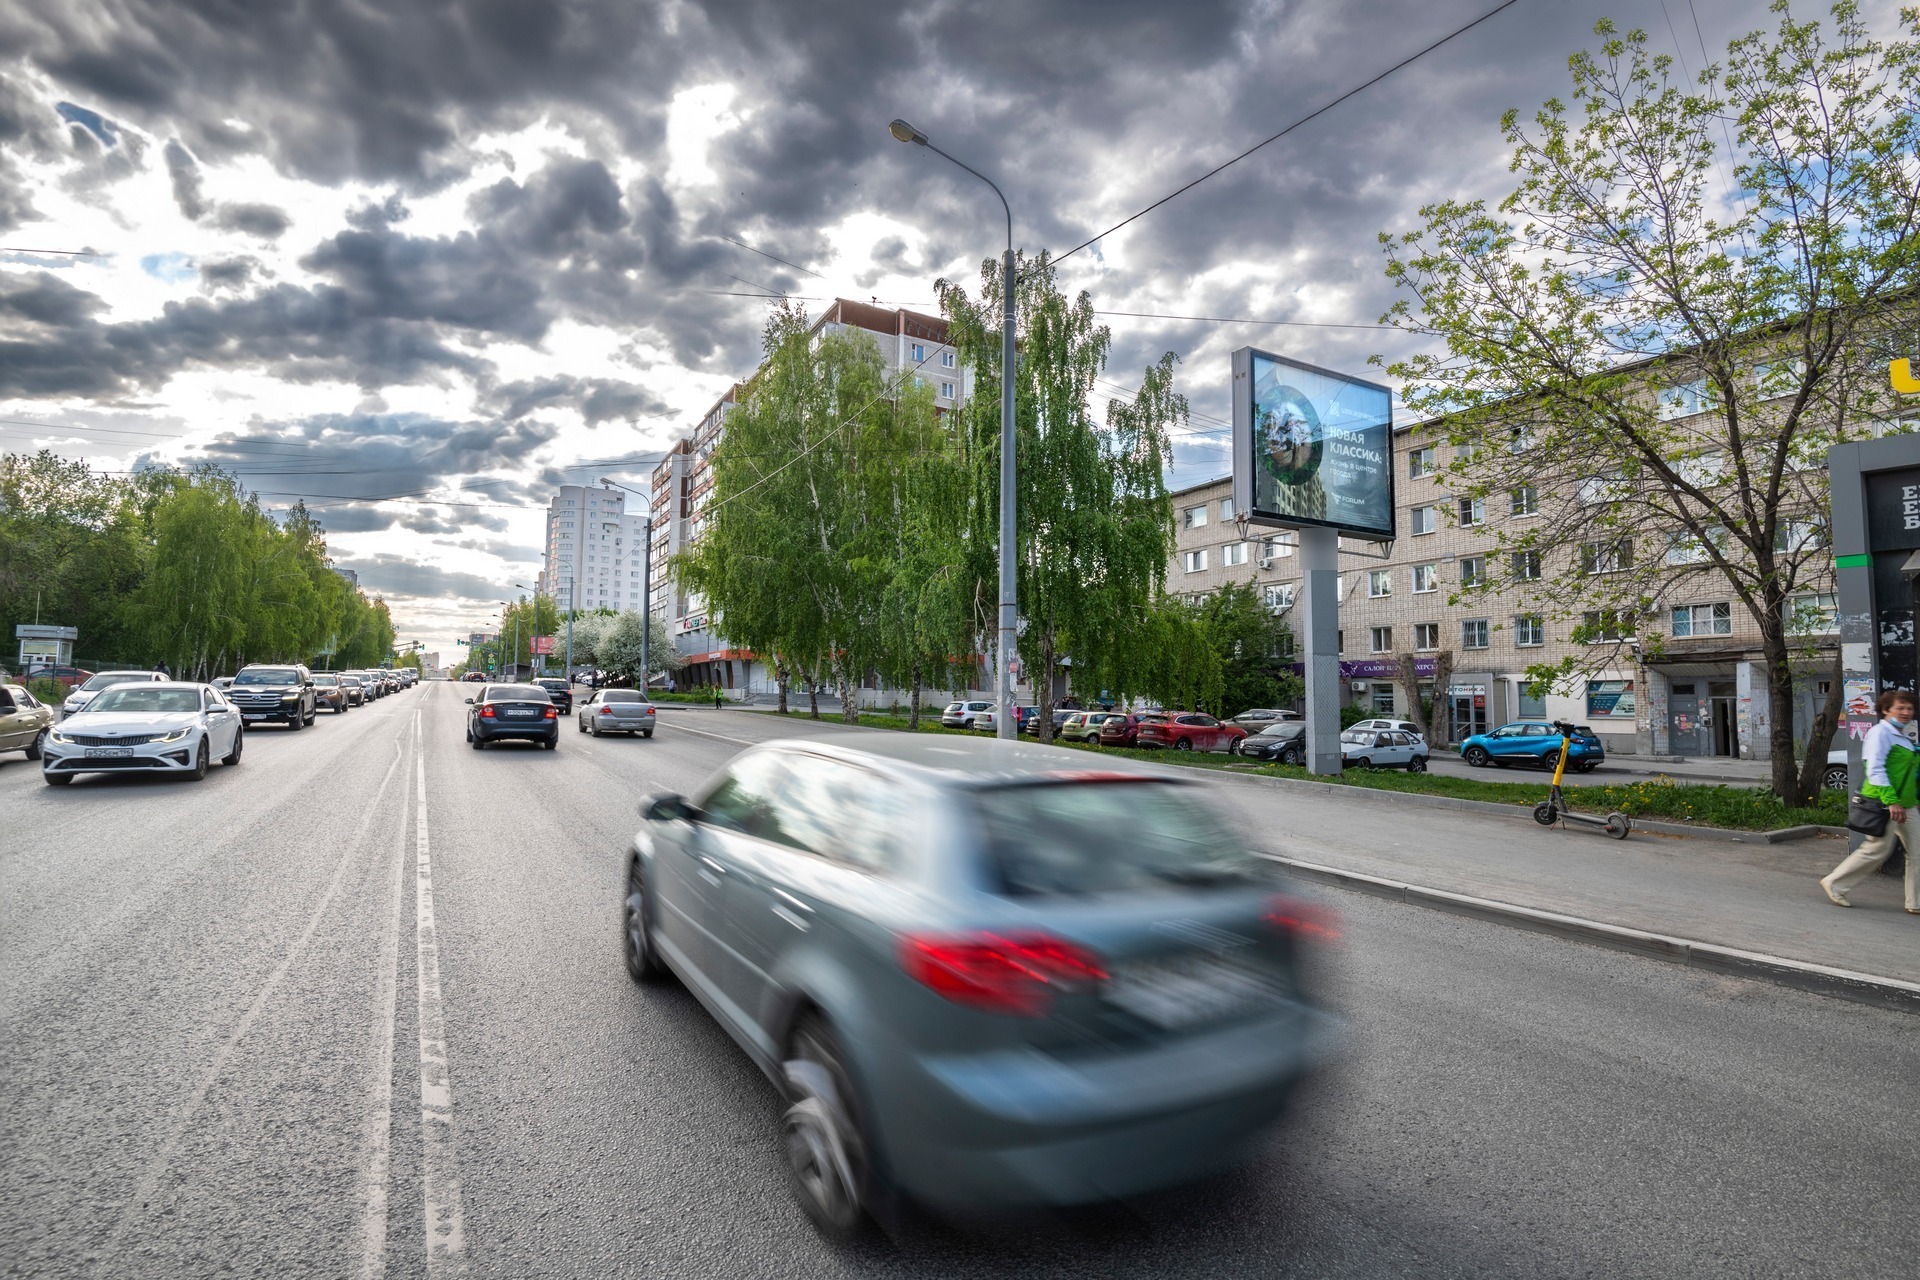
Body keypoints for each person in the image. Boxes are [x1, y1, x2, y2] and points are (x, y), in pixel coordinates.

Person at [1821, 688, 1920, 913]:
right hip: (1884, 802)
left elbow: (1906, 773)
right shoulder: (1880, 733)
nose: (1906, 712)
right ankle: (1835, 883)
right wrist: (1891, 801)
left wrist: (1913, 799)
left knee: (1918, 851)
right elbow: (1875, 769)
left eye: (1910, 708)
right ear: (1886, 709)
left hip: (1906, 805)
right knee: (1877, 849)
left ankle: (1915, 902)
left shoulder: (1902, 736)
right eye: (1901, 708)